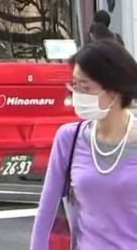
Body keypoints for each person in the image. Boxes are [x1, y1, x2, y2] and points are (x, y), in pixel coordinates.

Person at [30, 40, 137, 250]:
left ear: (114, 90)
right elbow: (47, 212)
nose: (76, 93)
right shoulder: (68, 139)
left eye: (85, 87)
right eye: (74, 84)